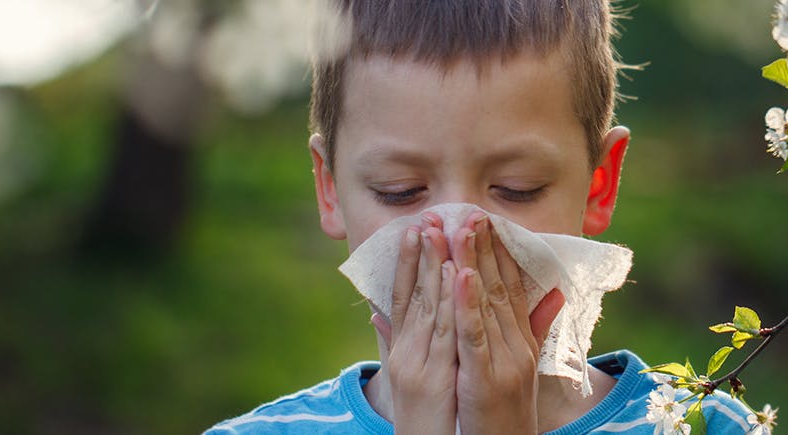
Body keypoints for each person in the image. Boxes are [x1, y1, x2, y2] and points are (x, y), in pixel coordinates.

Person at [206, 1, 756, 433]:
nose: (456, 234)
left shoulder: (704, 428)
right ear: (329, 188)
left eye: (518, 189)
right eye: (400, 191)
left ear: (598, 184)